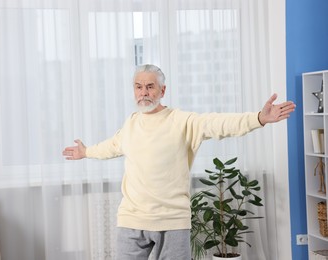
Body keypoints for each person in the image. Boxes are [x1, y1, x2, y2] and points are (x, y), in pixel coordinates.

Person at [62, 64, 296, 260]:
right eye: (139, 87)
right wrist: (86, 151)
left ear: (162, 90)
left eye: (150, 87)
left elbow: (218, 124)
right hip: (132, 218)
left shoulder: (182, 121)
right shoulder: (131, 123)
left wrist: (258, 118)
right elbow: (111, 146)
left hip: (172, 219)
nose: (144, 92)